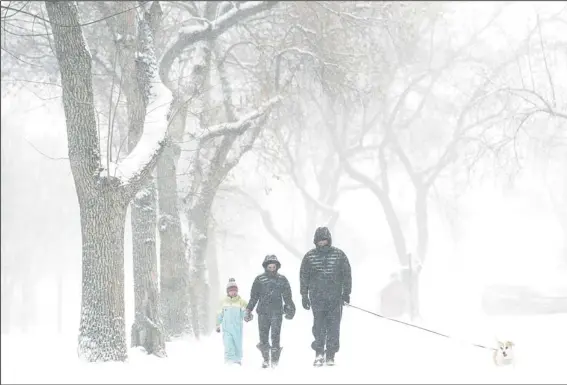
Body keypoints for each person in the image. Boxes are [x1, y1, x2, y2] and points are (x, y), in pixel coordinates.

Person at [300, 226, 352, 367]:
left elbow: (346, 275)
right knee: (319, 327)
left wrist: (346, 293)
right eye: (319, 241)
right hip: (317, 298)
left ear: (328, 240)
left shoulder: (339, 255)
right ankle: (318, 353)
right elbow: (304, 277)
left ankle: (330, 354)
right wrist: (304, 295)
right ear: (315, 241)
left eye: (324, 240)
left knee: (334, 327)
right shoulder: (309, 257)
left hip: (335, 298)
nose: (322, 243)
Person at [246, 254, 296, 368]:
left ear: (277, 267)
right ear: (266, 267)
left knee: (275, 336)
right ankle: (265, 359)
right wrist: (249, 309)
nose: (272, 269)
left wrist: (290, 308)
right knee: (263, 337)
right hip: (263, 312)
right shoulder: (259, 279)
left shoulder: (282, 280)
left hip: (277, 312)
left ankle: (275, 360)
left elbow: (287, 297)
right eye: (270, 267)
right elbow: (254, 297)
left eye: (274, 267)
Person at [215, 278, 253, 365]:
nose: (233, 292)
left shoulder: (241, 302)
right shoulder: (223, 302)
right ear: (228, 292)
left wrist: (248, 316)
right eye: (231, 291)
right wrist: (217, 324)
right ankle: (229, 361)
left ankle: (237, 360)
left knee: (237, 345)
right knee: (228, 345)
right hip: (227, 329)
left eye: (235, 290)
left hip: (237, 329)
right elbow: (219, 314)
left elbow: (245, 313)